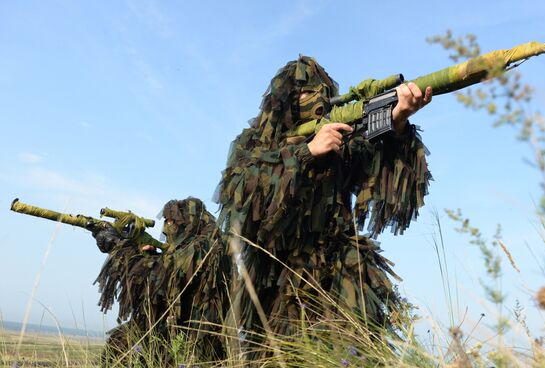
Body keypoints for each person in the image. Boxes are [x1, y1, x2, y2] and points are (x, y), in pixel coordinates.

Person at [214, 56, 432, 355]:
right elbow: (239, 195)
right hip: (276, 277)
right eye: (304, 92)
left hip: (341, 269)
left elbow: (387, 182)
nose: (316, 99)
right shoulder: (253, 143)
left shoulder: (343, 139)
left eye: (322, 92)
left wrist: (397, 123)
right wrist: (306, 153)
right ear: (284, 99)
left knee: (351, 354)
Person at [92, 197, 231, 363]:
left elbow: (165, 274)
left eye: (174, 222)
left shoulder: (204, 245)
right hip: (181, 334)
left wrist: (118, 245)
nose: (168, 227)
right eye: (167, 221)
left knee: (125, 347)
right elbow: (171, 273)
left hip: (190, 341)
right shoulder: (209, 241)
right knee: (121, 343)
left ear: (189, 222)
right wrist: (152, 256)